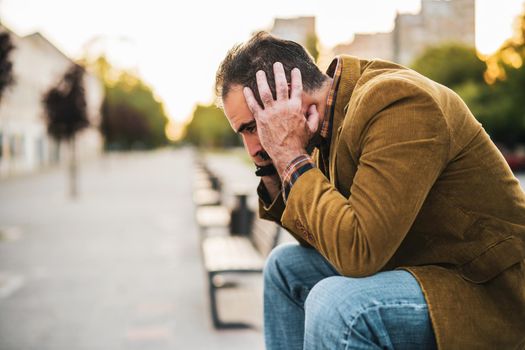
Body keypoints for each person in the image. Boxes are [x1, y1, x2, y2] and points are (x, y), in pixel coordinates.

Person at [214, 31, 525, 350]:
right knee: (285, 268)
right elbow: (322, 239)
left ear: (287, 96)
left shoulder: (395, 100)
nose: (251, 147)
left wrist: (289, 156)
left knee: (338, 305)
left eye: (254, 127)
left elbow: (357, 254)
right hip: (420, 264)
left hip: (488, 290)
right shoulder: (323, 127)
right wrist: (274, 163)